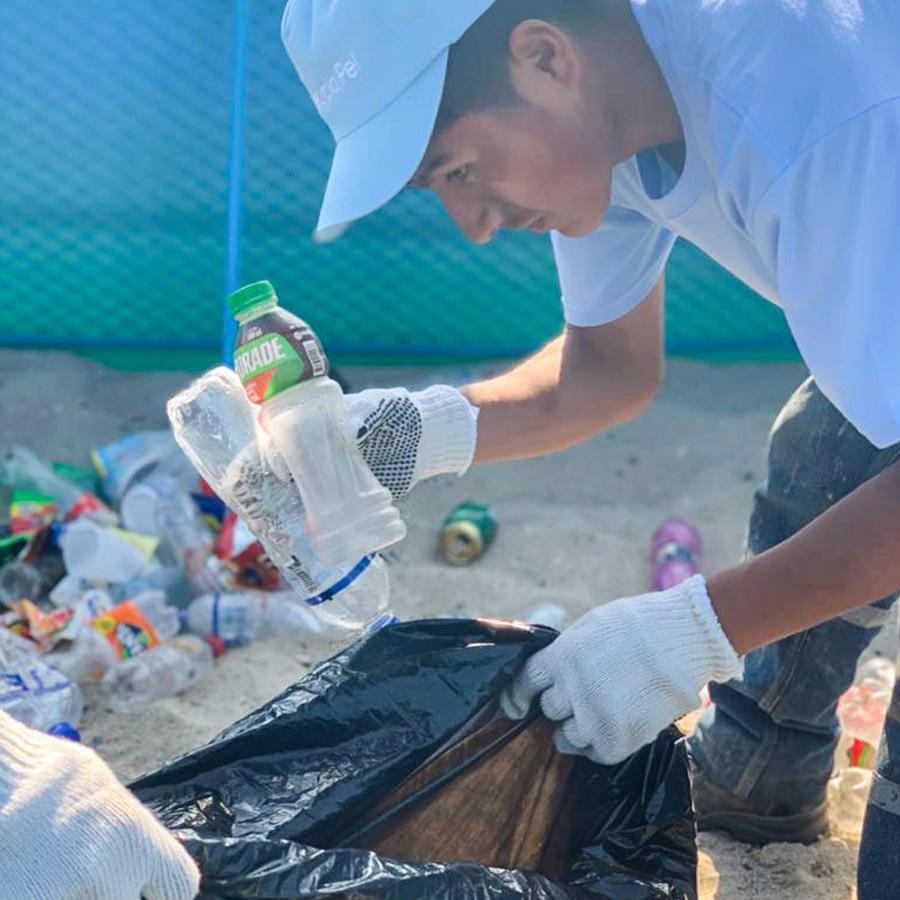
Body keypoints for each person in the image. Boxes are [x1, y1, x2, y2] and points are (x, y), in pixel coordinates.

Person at [280, 0, 900, 896]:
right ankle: (761, 774)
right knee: (834, 432)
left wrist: (689, 633)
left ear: (544, 56)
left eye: (456, 170)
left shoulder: (819, 118)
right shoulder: (612, 110)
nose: (475, 223)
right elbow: (603, 374)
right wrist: (408, 435)